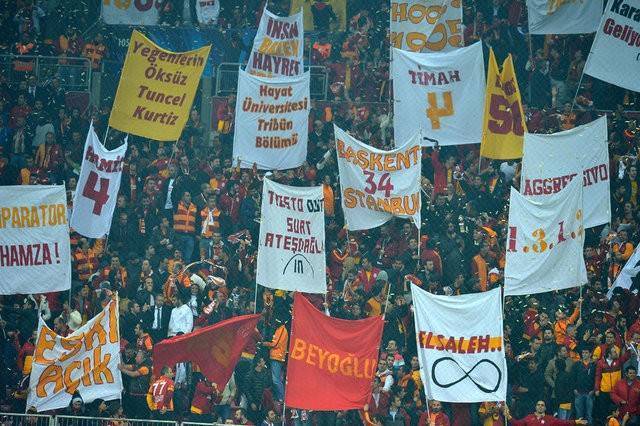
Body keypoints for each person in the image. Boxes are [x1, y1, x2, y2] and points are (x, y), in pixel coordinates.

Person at [505, 400, 587, 425]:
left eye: (542, 405)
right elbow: (517, 423)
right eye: (538, 405)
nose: (540, 406)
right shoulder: (529, 417)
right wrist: (508, 416)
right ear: (535, 407)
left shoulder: (550, 419)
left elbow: (564, 423)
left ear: (545, 408)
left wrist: (576, 421)